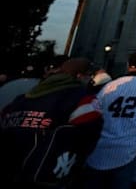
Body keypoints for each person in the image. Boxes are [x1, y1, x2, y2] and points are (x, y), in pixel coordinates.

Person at [0, 58, 102, 189]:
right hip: (49, 171)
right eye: (90, 75)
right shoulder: (82, 97)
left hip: (11, 165)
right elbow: (91, 130)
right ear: (80, 76)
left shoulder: (27, 95)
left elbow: (5, 120)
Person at [84, 51, 136, 189]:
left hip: (102, 144)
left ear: (128, 65)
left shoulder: (110, 85)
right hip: (128, 146)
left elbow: (94, 112)